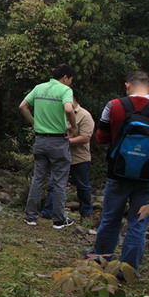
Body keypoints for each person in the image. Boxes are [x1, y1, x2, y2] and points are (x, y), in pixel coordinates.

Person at [92, 70, 149, 274]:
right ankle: (127, 270)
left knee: (110, 218)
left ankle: (101, 260)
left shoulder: (114, 105)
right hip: (148, 175)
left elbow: (101, 137)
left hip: (117, 172)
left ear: (127, 85)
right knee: (138, 223)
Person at [20, 64, 77, 229]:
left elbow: (22, 106)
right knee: (59, 181)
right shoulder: (65, 90)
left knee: (38, 178)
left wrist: (34, 122)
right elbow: (68, 109)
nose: (70, 83)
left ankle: (30, 216)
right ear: (65, 77)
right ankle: (58, 220)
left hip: (40, 140)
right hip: (58, 141)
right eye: (70, 80)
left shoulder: (39, 88)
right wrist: (73, 127)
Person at [41, 91, 95, 222]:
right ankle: (49, 211)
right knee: (54, 184)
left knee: (82, 186)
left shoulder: (84, 115)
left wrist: (64, 142)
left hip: (79, 158)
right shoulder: (59, 114)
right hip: (60, 157)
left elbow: (85, 138)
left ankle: (86, 214)